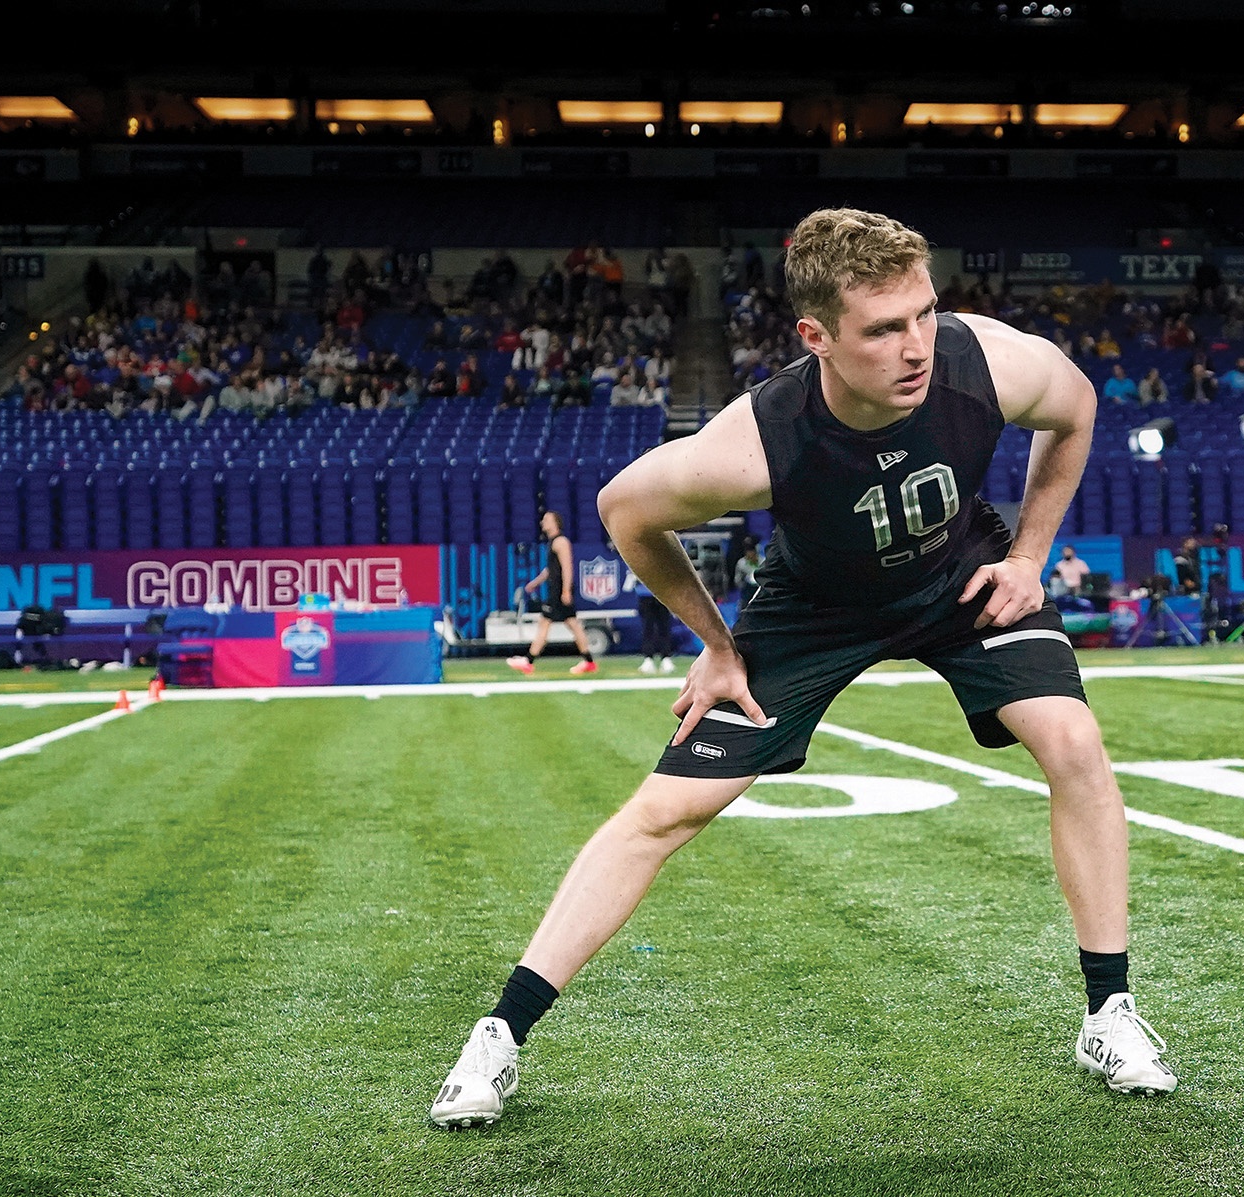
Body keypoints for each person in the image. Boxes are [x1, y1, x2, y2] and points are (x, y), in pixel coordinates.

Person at [432, 208, 1173, 1129]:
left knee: (1074, 741)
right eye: (883, 329)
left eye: (924, 315)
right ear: (815, 337)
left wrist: (1026, 557)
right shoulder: (758, 442)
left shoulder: (989, 361)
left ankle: (1109, 1011)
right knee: (666, 811)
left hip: (956, 576)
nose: (917, 348)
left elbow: (1077, 410)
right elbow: (625, 510)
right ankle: (499, 1033)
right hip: (815, 608)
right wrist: (716, 642)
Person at [507, 511, 598, 677]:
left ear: (556, 523)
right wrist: (535, 583)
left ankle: (528, 661)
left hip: (559, 591)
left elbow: (567, 567)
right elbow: (551, 569)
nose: (543, 523)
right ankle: (589, 661)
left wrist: (565, 591)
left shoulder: (561, 542)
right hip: (557, 590)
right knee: (573, 625)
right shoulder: (553, 543)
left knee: (545, 623)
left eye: (547, 520)